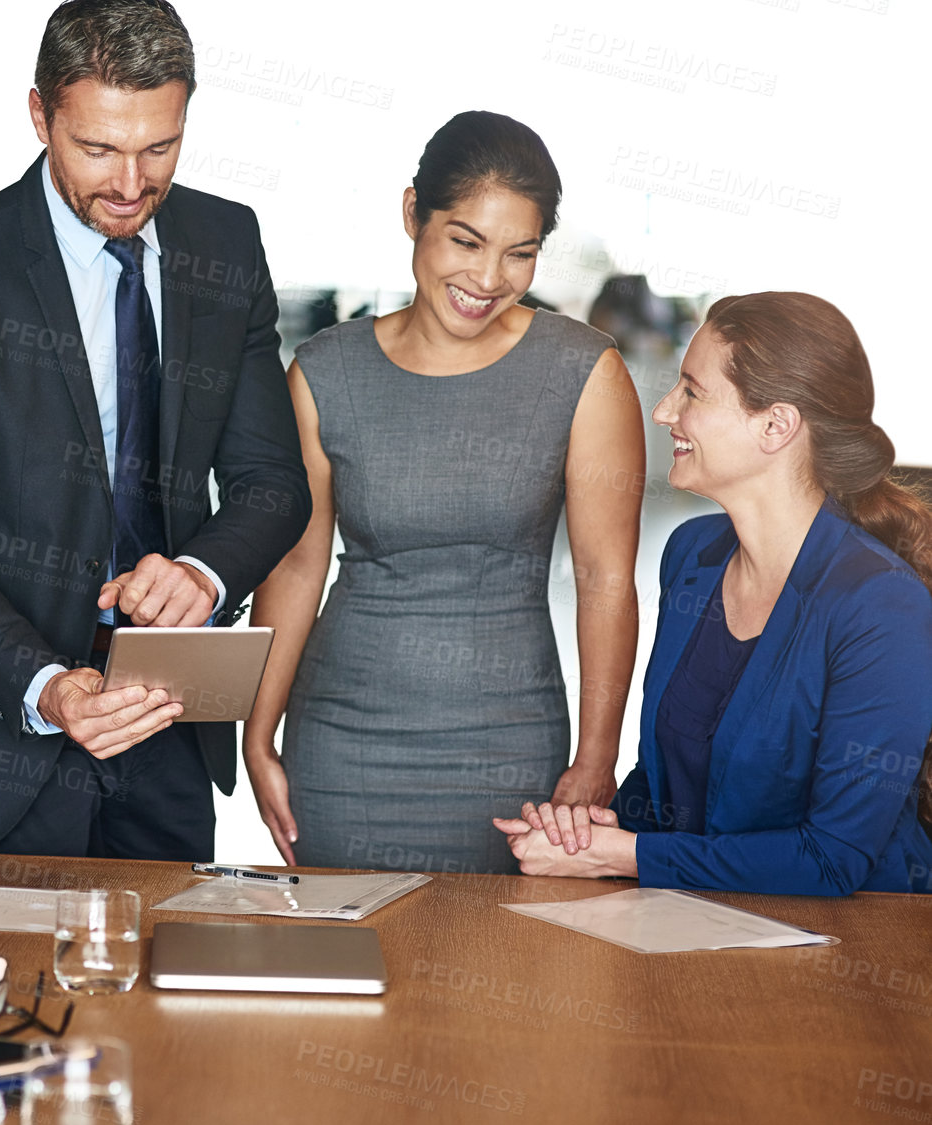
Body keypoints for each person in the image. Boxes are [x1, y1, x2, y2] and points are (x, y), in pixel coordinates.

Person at [0, 0, 311, 859]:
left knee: (158, 983)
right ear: (40, 116)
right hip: (1, 738)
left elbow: (271, 482)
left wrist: (202, 573)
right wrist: (48, 688)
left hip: (170, 721)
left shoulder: (226, 242)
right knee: (11, 992)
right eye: (97, 149)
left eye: (159, 148)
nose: (129, 182)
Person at [246, 111, 647, 874]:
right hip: (341, 741)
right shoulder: (324, 371)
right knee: (348, 970)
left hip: (510, 741)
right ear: (411, 215)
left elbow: (604, 581)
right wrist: (258, 732)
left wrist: (596, 758)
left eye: (518, 253)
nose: (487, 279)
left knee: (500, 974)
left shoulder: (583, 372)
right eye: (465, 241)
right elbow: (295, 568)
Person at [495, 292, 932, 895]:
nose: (663, 411)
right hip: (695, 925)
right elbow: (665, 785)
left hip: (854, 946)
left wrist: (624, 856)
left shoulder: (883, 607)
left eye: (691, 391)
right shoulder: (692, 554)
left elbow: (832, 861)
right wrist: (587, 831)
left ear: (776, 426)